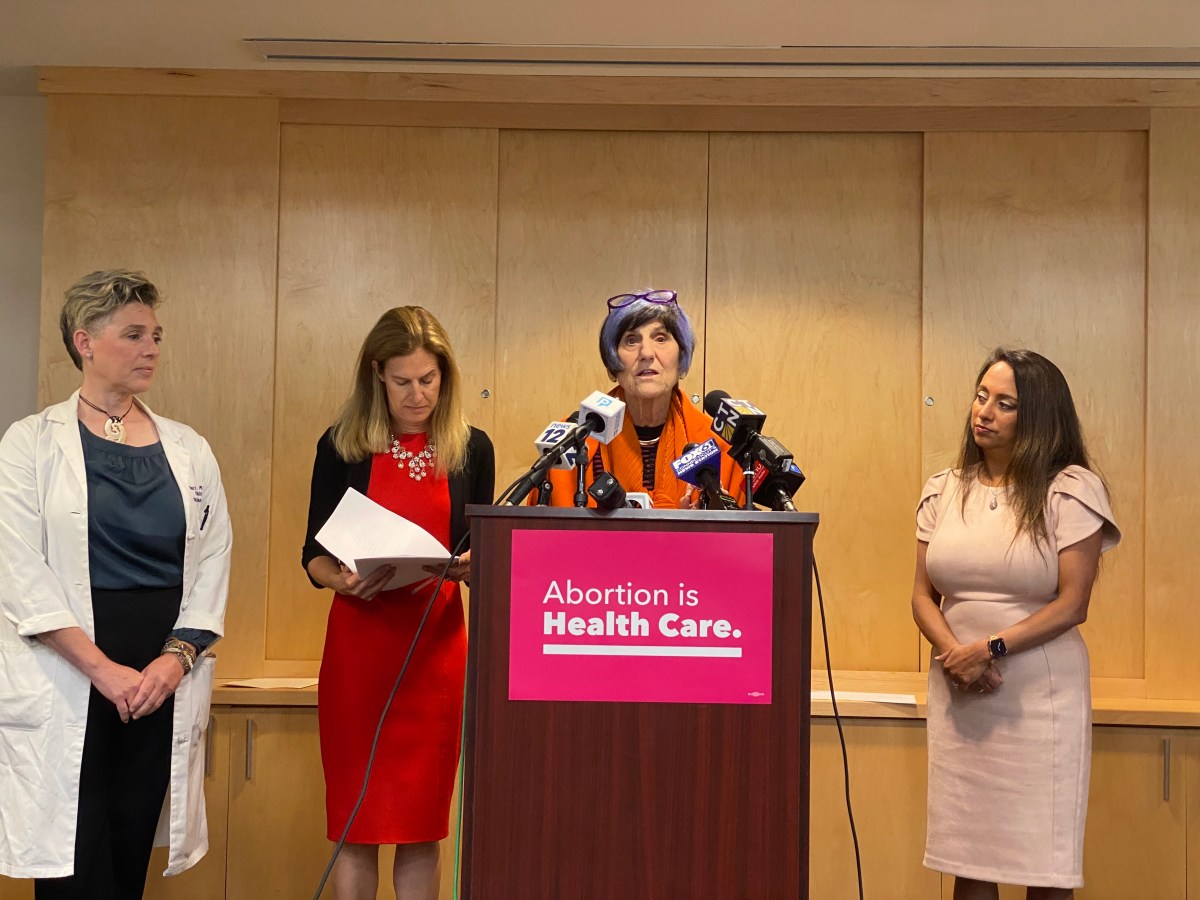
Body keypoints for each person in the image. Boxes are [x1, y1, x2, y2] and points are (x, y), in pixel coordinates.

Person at [0, 269, 231, 898]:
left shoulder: (189, 449)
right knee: (72, 859)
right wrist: (103, 670)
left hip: (158, 678)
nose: (151, 347)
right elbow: (18, 571)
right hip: (70, 670)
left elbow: (213, 561)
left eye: (155, 334)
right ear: (85, 342)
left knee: (130, 850)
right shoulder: (28, 444)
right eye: (133, 334)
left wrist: (174, 661)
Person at [911, 348, 1120, 899]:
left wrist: (990, 649)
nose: (984, 412)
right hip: (959, 688)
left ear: (1039, 417)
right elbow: (920, 595)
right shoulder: (943, 487)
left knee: (1042, 867)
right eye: (981, 396)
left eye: (1005, 404)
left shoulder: (1069, 488)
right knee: (969, 860)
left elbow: (1074, 603)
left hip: (1036, 697)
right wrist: (957, 654)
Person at [302, 307, 494, 900]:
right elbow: (312, 552)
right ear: (377, 376)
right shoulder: (341, 446)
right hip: (362, 651)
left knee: (420, 829)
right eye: (404, 381)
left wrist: (469, 568)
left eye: (429, 380)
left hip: (435, 653)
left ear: (446, 377)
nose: (418, 394)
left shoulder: (471, 449)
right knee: (357, 828)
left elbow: (483, 550)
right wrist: (338, 579)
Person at [538, 289, 744, 509]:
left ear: (681, 358)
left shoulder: (718, 445)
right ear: (612, 363)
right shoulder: (573, 440)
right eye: (631, 340)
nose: (646, 353)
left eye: (661, 338)